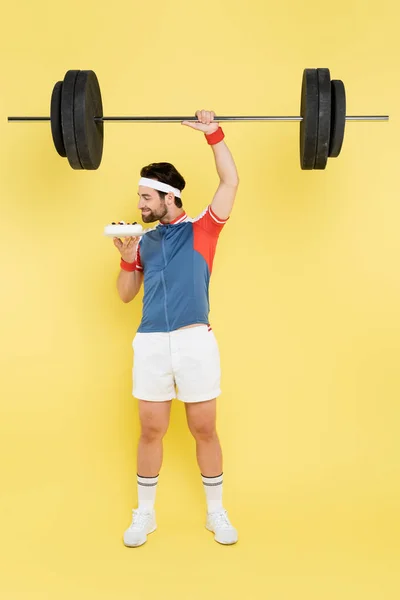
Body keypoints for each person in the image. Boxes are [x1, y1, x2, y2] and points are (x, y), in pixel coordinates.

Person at [113, 110, 239, 547]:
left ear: (171, 198)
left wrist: (214, 136)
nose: (140, 205)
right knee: (150, 430)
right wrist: (128, 257)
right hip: (150, 343)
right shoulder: (143, 240)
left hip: (194, 341)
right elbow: (126, 294)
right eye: (139, 197)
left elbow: (229, 184)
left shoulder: (204, 228)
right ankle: (144, 516)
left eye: (147, 198)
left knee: (204, 428)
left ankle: (215, 513)